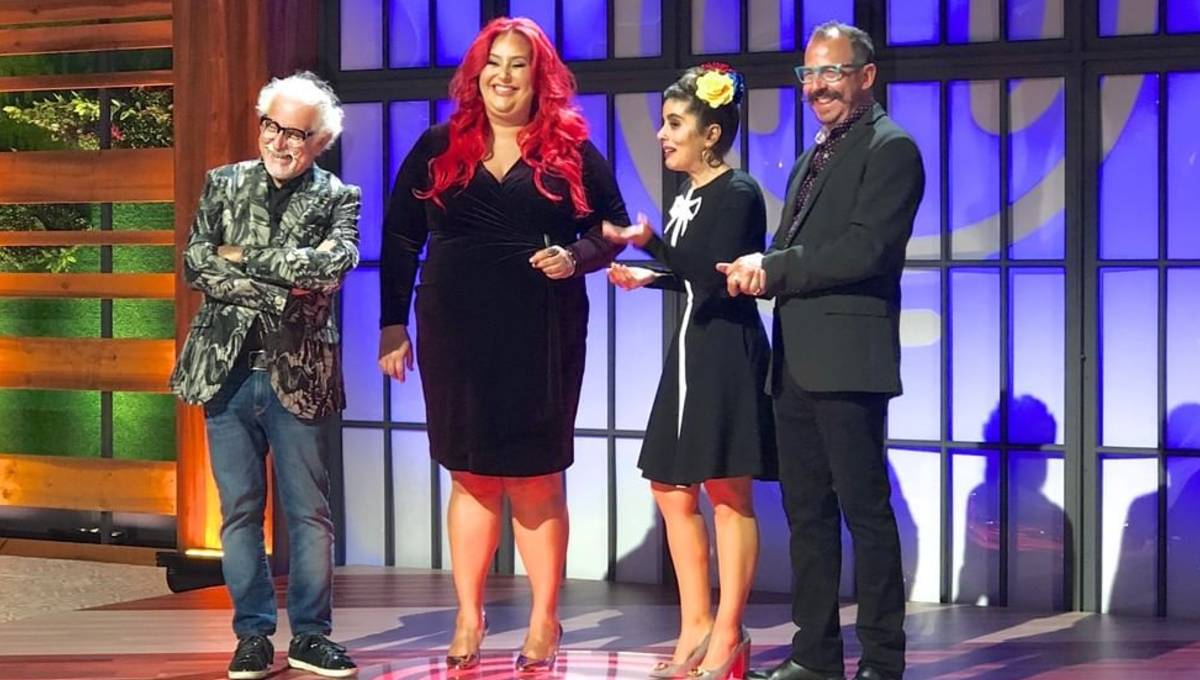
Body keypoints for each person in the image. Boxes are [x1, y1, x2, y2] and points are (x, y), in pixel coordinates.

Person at [376, 16, 627, 674]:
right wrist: (392, 324)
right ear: (476, 74)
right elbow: (400, 235)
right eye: (494, 63)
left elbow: (612, 230)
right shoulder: (437, 145)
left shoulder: (570, 149)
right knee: (471, 473)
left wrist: (575, 256)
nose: (504, 76)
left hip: (541, 326)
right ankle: (470, 614)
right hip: (455, 326)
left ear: (539, 77)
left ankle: (545, 619)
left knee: (536, 476)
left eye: (518, 64)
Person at [718, 22, 925, 680]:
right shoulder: (815, 156)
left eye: (830, 72)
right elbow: (794, 249)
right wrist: (757, 268)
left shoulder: (891, 148)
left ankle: (882, 661)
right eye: (808, 75)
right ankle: (815, 656)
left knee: (865, 514)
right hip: (796, 361)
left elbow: (866, 249)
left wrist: (774, 269)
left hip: (849, 361)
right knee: (806, 515)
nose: (816, 87)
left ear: (867, 76)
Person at [169, 72, 360, 679]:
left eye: (296, 134)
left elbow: (328, 272)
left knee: (310, 515)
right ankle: (252, 634)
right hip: (224, 373)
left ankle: (310, 636)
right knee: (239, 513)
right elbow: (196, 265)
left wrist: (243, 258)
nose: (279, 142)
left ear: (319, 141)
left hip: (300, 376)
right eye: (271, 127)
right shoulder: (222, 183)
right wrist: (280, 288)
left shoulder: (339, 198)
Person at [602, 62, 774, 680]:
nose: (662, 134)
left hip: (725, 350)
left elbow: (717, 275)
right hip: (690, 348)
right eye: (664, 123)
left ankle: (728, 632)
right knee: (670, 488)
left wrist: (650, 246)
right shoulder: (689, 195)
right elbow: (691, 271)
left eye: (675, 124)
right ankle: (695, 624)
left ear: (711, 134)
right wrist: (649, 276)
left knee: (727, 492)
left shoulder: (739, 192)